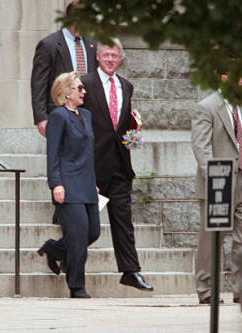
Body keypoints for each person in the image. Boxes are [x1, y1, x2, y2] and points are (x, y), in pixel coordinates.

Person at [80, 40, 153, 291]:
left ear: (120, 58)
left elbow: (125, 125)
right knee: (86, 226)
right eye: (106, 55)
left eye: (114, 55)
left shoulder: (126, 86)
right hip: (92, 166)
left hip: (120, 165)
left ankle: (130, 271)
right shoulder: (85, 84)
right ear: (98, 57)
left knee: (124, 221)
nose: (110, 59)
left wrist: (134, 136)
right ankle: (58, 250)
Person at [191, 74, 242, 304]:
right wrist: (213, 177)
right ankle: (206, 289)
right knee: (212, 238)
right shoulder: (206, 107)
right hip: (218, 180)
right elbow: (201, 147)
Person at [31, 0, 97, 224]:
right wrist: (41, 116)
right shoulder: (50, 45)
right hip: (59, 112)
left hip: (85, 113)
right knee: (62, 155)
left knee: (82, 156)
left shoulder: (91, 44)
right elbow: (38, 82)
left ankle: (79, 203)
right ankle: (61, 208)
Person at [37, 71, 100, 298]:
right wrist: (56, 184)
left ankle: (55, 248)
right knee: (78, 236)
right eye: (79, 88)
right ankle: (76, 286)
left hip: (86, 182)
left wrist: (93, 182)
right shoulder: (58, 117)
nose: (84, 91)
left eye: (83, 88)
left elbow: (88, 152)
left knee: (92, 232)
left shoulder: (86, 115)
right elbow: (52, 153)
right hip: (68, 183)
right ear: (65, 94)